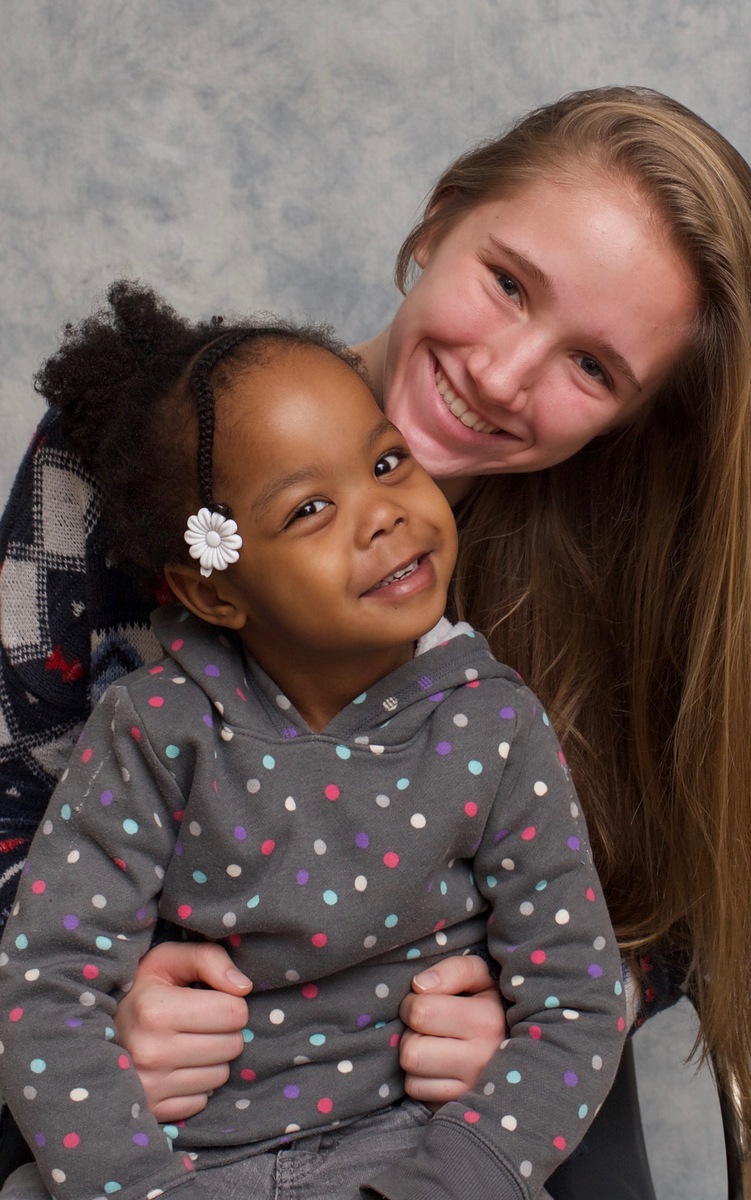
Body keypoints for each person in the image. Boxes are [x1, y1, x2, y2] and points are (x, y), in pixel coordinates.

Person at [0, 86, 751, 1179]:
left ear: (636, 419)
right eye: (505, 284)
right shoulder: (141, 451)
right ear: (439, 218)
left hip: (470, 1108)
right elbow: (12, 800)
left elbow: (705, 889)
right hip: (156, 1106)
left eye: (592, 368)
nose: (499, 376)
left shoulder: (622, 562)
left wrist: (552, 1006)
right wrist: (99, 1000)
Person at [0, 283, 625, 1200]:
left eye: (385, 463)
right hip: (176, 1160)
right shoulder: (151, 730)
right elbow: (47, 988)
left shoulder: (493, 724)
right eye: (308, 510)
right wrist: (133, 1186)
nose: (383, 513)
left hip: (416, 1154)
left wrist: (457, 1176)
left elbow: (578, 1000)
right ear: (214, 592)